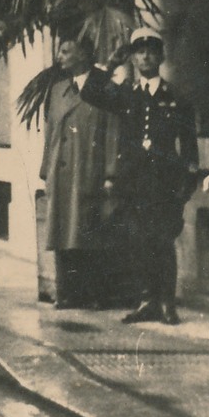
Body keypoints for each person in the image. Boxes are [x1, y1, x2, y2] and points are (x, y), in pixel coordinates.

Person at [81, 27, 200, 325]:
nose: (145, 56)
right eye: (139, 52)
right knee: (138, 242)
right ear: (133, 58)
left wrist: (187, 182)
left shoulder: (175, 96)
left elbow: (188, 144)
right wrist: (108, 65)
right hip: (133, 181)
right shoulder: (125, 94)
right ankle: (147, 299)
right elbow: (89, 92)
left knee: (163, 240)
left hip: (164, 182)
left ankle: (167, 303)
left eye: (151, 51)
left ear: (160, 57)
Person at [40, 35, 124, 308]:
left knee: (90, 233)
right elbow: (51, 133)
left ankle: (94, 294)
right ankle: (65, 292)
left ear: (84, 55)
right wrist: (46, 171)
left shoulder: (105, 88)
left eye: (66, 50)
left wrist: (111, 173)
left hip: (88, 169)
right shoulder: (57, 90)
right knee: (62, 233)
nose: (60, 56)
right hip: (60, 172)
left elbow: (113, 131)